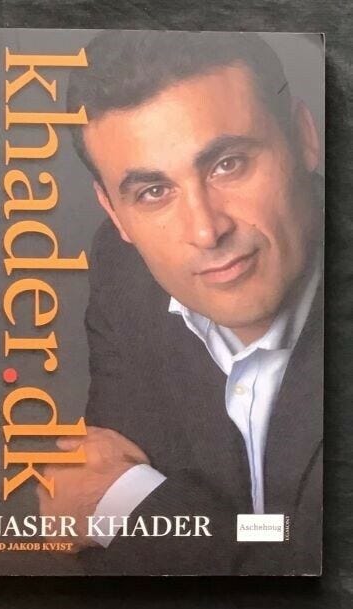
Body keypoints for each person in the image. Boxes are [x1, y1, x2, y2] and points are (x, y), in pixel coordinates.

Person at [37, 31, 323, 575]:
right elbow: (273, 534)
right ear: (115, 213)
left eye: (228, 164)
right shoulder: (127, 274)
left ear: (305, 137)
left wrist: (125, 506)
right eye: (154, 192)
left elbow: (317, 558)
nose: (206, 230)